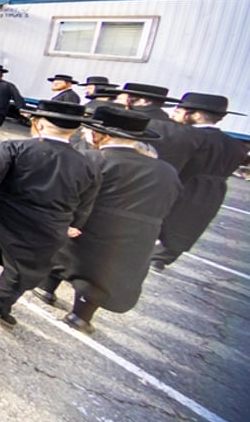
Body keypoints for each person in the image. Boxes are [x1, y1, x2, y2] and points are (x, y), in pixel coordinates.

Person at [0, 100, 100, 326]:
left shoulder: (14, 148)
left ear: (38, 124)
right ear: (76, 130)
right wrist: (75, 225)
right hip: (45, 227)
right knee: (21, 271)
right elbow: (85, 202)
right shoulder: (88, 165)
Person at [35, 106, 180, 333]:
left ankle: (47, 288)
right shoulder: (166, 171)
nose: (85, 134)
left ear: (102, 134)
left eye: (89, 130)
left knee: (62, 255)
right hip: (137, 234)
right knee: (104, 275)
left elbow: (68, 192)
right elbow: (169, 203)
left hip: (89, 226)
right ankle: (80, 316)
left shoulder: (92, 159)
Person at [149, 93, 249, 272]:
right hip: (213, 192)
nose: (174, 115)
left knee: (165, 219)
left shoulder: (187, 136)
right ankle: (163, 256)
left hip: (184, 183)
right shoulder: (235, 145)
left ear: (194, 114)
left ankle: (152, 253)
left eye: (179, 111)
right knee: (190, 223)